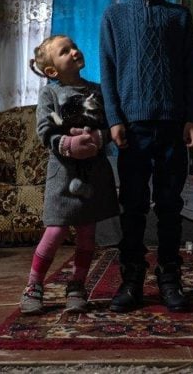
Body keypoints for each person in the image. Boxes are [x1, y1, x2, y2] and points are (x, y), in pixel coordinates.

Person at [99, 0, 193, 313]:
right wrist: (114, 120)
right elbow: (107, 71)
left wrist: (192, 117)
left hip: (173, 124)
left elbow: (190, 70)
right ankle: (131, 278)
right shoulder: (113, 16)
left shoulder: (179, 17)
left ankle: (170, 275)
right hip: (132, 128)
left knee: (170, 204)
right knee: (133, 205)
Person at [19, 35, 120, 315]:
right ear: (52, 71)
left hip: (93, 174)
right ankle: (33, 285)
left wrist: (97, 139)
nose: (74, 51)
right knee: (55, 230)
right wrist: (67, 144)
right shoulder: (49, 94)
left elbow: (110, 124)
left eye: (74, 46)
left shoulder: (98, 91)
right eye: (65, 51)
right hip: (63, 174)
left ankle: (77, 285)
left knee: (87, 234)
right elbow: (45, 130)